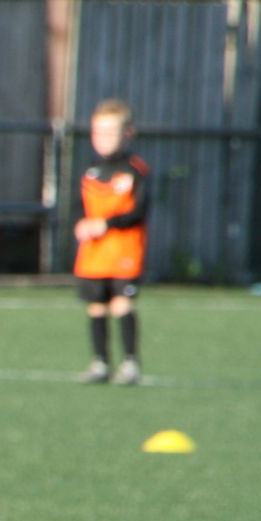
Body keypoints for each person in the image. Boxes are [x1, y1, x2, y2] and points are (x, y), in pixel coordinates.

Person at [74, 100, 150, 387]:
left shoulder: (134, 170)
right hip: (93, 252)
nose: (102, 139)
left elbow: (139, 211)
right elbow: (81, 206)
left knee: (121, 304)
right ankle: (100, 363)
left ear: (127, 134)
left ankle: (130, 362)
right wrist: (81, 223)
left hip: (125, 250)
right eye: (98, 133)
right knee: (96, 305)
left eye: (110, 133)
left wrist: (106, 224)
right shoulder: (90, 170)